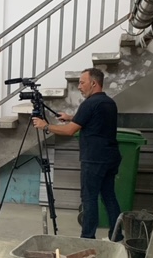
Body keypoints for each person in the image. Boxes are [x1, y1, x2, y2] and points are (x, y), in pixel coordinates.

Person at [32, 68, 122, 241]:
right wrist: (71, 116)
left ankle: (87, 238)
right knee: (109, 196)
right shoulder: (108, 102)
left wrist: (45, 126)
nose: (79, 86)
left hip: (94, 159)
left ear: (93, 83)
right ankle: (117, 236)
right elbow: (91, 118)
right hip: (111, 157)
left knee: (89, 199)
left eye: (82, 82)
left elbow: (69, 131)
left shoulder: (89, 103)